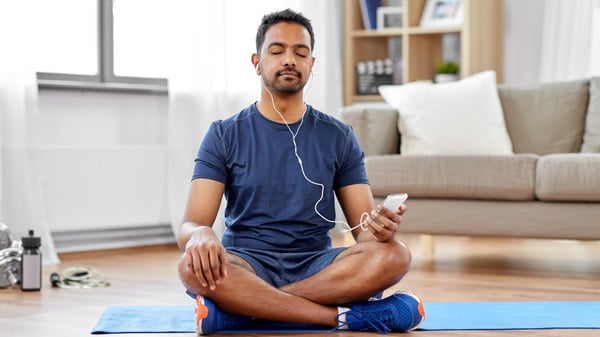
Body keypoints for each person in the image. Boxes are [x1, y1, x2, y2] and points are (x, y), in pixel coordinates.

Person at [177, 8, 424, 335]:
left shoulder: (338, 135)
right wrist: (200, 234)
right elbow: (191, 224)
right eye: (277, 51)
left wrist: (379, 229)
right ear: (257, 62)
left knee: (396, 255)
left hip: (317, 267)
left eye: (301, 52)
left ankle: (245, 310)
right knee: (190, 266)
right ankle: (344, 317)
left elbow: (363, 231)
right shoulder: (224, 133)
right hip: (246, 264)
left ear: (311, 64)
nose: (289, 59)